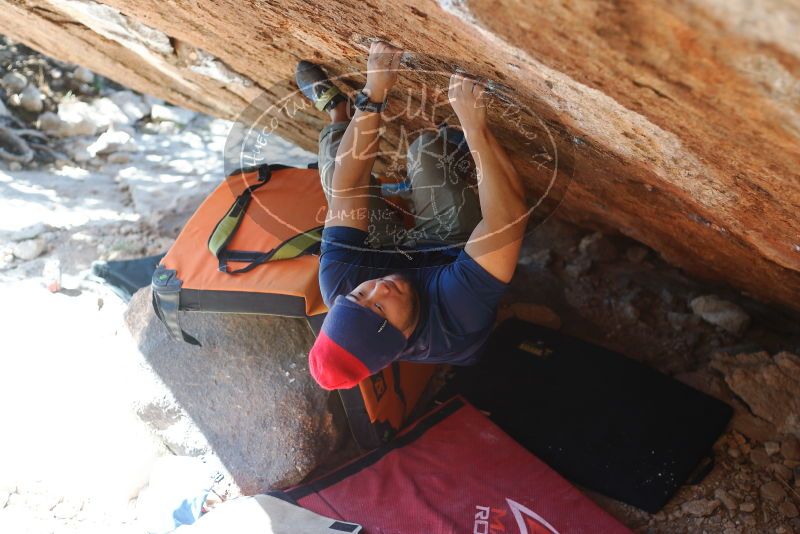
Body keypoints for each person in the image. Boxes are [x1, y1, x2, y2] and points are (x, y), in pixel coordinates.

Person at [296, 41, 529, 390]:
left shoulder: (340, 287)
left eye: (360, 296)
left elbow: (349, 186)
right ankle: (451, 157)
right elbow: (508, 221)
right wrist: (474, 127)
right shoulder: (454, 317)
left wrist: (373, 93)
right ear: (403, 337)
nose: (378, 289)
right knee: (428, 152)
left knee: (335, 172)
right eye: (379, 310)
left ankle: (338, 111)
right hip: (448, 254)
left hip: (388, 249)